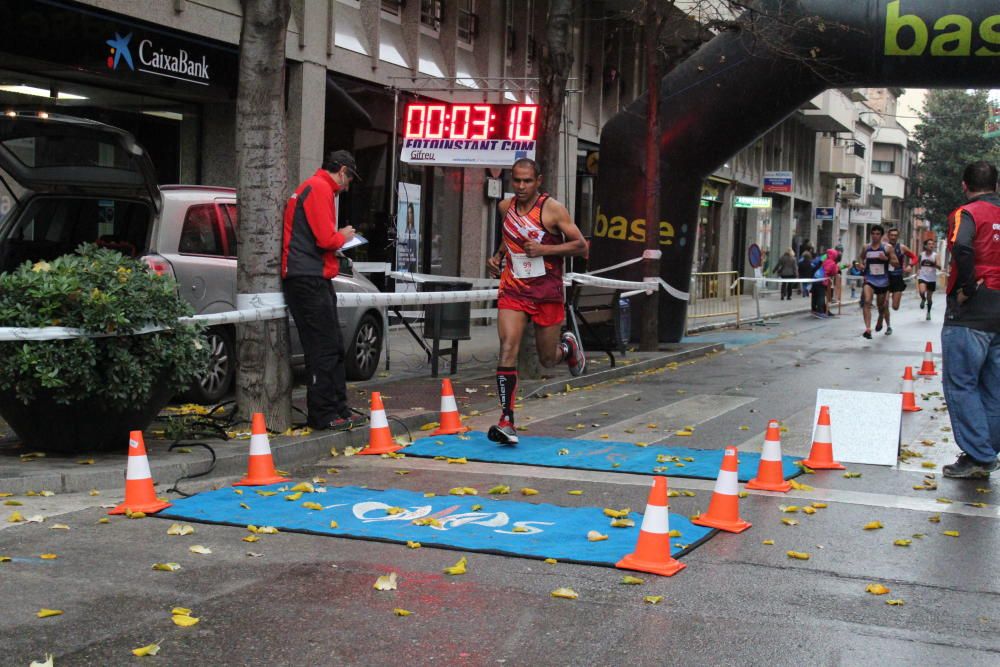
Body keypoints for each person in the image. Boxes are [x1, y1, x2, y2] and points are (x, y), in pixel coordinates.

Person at [485, 158, 588, 444]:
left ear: (538, 180)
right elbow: (511, 237)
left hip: (546, 291)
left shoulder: (552, 209)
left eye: (527, 181)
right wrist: (497, 257)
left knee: (546, 359)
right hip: (513, 288)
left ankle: (567, 347)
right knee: (507, 348)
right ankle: (507, 419)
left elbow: (581, 246)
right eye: (516, 180)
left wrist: (543, 249)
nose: (520, 186)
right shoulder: (504, 207)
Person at [281, 149, 365, 431]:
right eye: (349, 179)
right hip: (308, 278)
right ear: (342, 171)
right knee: (323, 349)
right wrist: (345, 235)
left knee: (332, 348)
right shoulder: (319, 188)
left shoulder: (313, 188)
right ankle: (323, 413)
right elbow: (325, 238)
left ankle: (336, 408)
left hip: (311, 277)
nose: (348, 186)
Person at [940, 161, 1000, 478]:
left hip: (973, 310)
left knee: (962, 383)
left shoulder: (967, 214)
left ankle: (979, 456)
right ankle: (985, 451)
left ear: (965, 186)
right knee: (994, 387)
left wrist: (966, 286)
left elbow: (962, 245)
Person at [859, 224, 899, 339]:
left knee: (881, 306)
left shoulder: (887, 248)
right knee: (867, 301)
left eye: (878, 234)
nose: (875, 236)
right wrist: (860, 265)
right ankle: (868, 329)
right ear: (870, 234)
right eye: (873, 233)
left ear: (881, 236)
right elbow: (860, 259)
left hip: (883, 281)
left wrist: (886, 259)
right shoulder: (866, 247)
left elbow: (896, 264)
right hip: (870, 279)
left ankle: (881, 317)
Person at [876, 227, 917, 335]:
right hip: (885, 277)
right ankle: (888, 325)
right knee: (884, 303)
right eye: (891, 235)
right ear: (888, 236)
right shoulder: (883, 247)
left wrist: (910, 265)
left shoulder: (902, 248)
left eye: (895, 235)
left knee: (895, 306)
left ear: (897, 237)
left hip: (897, 278)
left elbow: (914, 257)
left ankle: (884, 315)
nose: (893, 237)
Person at [916, 238, 942, 320]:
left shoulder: (935, 255)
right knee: (922, 291)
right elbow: (919, 264)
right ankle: (923, 299)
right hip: (923, 277)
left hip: (931, 279)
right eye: (929, 244)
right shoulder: (921, 254)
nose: (931, 245)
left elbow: (939, 267)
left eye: (932, 244)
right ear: (925, 246)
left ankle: (928, 312)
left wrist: (934, 264)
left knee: (929, 298)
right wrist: (918, 271)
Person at [822, 248, 841, 315]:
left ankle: (822, 310)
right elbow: (834, 272)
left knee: (823, 296)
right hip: (826, 281)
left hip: (821, 280)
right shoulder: (832, 262)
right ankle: (826, 311)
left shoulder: (825, 260)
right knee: (828, 297)